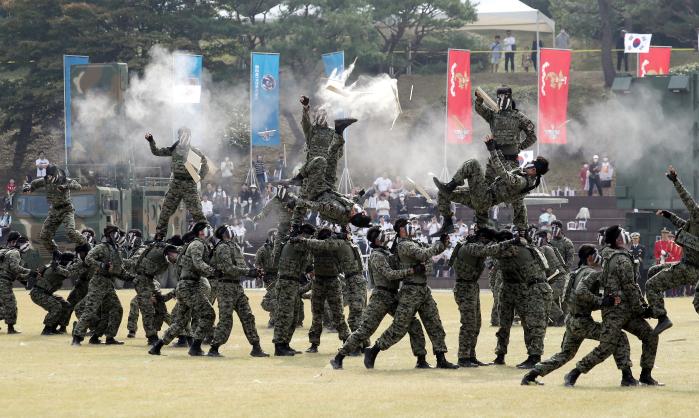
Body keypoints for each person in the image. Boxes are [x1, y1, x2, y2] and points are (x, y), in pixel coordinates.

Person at [521, 244, 636, 386]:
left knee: (565, 354)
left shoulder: (574, 273)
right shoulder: (592, 273)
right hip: (582, 322)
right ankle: (626, 377)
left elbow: (571, 297)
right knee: (619, 337)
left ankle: (531, 375)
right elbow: (581, 293)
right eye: (595, 255)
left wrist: (596, 303)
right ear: (590, 258)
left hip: (571, 320)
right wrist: (604, 302)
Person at [564, 225, 661, 387]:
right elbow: (630, 287)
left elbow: (631, 286)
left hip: (623, 310)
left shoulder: (606, 254)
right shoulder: (620, 258)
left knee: (650, 336)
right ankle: (574, 373)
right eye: (622, 234)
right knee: (607, 346)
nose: (627, 235)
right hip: (616, 312)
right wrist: (642, 310)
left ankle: (643, 375)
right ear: (618, 239)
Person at [363, 218, 458, 369]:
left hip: (423, 289)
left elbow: (430, 251)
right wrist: (439, 244)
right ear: (401, 229)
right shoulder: (404, 245)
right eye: (408, 225)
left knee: (434, 324)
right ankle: (374, 350)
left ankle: (440, 358)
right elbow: (423, 254)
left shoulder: (414, 242)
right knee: (399, 326)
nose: (412, 226)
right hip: (410, 291)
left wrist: (443, 242)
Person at [330, 226, 429, 369]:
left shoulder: (386, 252)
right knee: (365, 330)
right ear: (377, 240)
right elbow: (390, 274)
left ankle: (421, 359)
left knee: (413, 324)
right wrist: (412, 270)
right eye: (382, 235)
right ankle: (339, 358)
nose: (386, 236)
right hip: (380, 297)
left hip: (393, 296)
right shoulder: (377, 255)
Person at [433, 135, 548, 234]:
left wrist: (492, 150)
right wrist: (496, 148)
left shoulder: (522, 182)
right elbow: (504, 165)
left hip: (484, 198)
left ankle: (451, 185)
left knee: (473, 164)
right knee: (442, 192)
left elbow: (504, 174)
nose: (528, 162)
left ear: (533, 170)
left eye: (531, 162)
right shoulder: (522, 176)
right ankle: (448, 223)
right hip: (482, 198)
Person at [450, 227, 519, 367]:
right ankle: (463, 357)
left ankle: (470, 355)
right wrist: (512, 241)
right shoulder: (470, 247)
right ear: (483, 239)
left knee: (476, 324)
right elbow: (486, 250)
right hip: (464, 287)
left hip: (472, 287)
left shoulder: (473, 245)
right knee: (468, 323)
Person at [149, 222, 217, 356]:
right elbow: (198, 263)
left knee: (180, 322)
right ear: (201, 232)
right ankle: (195, 347)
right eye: (207, 229)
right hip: (191, 286)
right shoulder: (198, 244)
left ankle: (157, 346)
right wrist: (213, 272)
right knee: (208, 314)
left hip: (185, 286)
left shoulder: (192, 245)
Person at [646, 165, 699, 335]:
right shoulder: (694, 224)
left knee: (651, 285)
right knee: (653, 271)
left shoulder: (698, 216)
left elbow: (687, 199)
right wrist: (669, 216)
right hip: (687, 266)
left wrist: (675, 181)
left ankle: (662, 318)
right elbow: (683, 226)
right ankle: (653, 308)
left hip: (689, 268)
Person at [492, 229, 553, 369]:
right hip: (510, 287)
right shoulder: (528, 248)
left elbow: (490, 251)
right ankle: (501, 354)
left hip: (525, 288)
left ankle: (533, 357)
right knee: (505, 323)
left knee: (531, 324)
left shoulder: (512, 249)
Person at [208, 224, 268, 357]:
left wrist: (253, 271)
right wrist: (249, 272)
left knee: (248, 316)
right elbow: (228, 269)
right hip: (225, 287)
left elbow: (241, 266)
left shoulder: (234, 246)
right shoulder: (223, 247)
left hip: (237, 287)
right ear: (225, 233)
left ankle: (256, 347)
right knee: (226, 320)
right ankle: (214, 348)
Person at [294, 228, 351, 352]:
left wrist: (302, 239)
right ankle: (314, 344)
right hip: (320, 281)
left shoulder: (333, 244)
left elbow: (321, 243)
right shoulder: (324, 244)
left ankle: (346, 341)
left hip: (331, 281)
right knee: (317, 314)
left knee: (337, 314)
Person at [146, 128, 209, 240]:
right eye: (181, 135)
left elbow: (205, 166)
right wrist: (151, 141)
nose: (184, 137)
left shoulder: (194, 152)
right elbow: (156, 151)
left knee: (197, 213)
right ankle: (160, 235)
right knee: (166, 210)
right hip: (176, 183)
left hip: (189, 184)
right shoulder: (174, 149)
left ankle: (205, 235)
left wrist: (199, 177)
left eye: (186, 135)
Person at [71, 225, 128, 346]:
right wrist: (101, 265)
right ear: (109, 235)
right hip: (98, 282)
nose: (117, 236)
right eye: (115, 233)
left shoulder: (116, 249)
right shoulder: (101, 247)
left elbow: (119, 270)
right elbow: (88, 259)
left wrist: (133, 277)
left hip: (108, 284)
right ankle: (77, 337)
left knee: (116, 309)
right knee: (90, 310)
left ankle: (106, 337)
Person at [23, 164, 87, 259]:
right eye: (47, 176)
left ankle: (85, 243)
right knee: (44, 236)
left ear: (56, 175)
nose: (49, 178)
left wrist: (66, 186)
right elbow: (35, 183)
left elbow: (78, 186)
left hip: (66, 210)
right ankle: (55, 253)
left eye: (50, 176)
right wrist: (29, 187)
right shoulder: (45, 180)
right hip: (54, 211)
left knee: (70, 232)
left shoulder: (64, 180)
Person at [272, 223, 315, 356]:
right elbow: (306, 247)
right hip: (286, 282)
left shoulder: (300, 245)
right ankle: (279, 346)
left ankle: (285, 343)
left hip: (294, 283)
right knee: (284, 315)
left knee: (294, 316)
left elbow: (307, 264)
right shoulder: (294, 243)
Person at [30, 252, 75, 335]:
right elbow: (68, 274)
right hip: (38, 292)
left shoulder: (56, 267)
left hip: (46, 293)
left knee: (66, 306)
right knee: (56, 306)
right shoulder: (56, 268)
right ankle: (47, 329)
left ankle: (55, 328)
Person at [0, 232, 35, 334]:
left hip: (3, 281)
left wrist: (25, 280)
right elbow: (15, 268)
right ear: (14, 242)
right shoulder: (14, 253)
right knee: (11, 305)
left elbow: (13, 272)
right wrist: (30, 272)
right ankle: (11, 329)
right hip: (3, 282)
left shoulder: (3, 251)